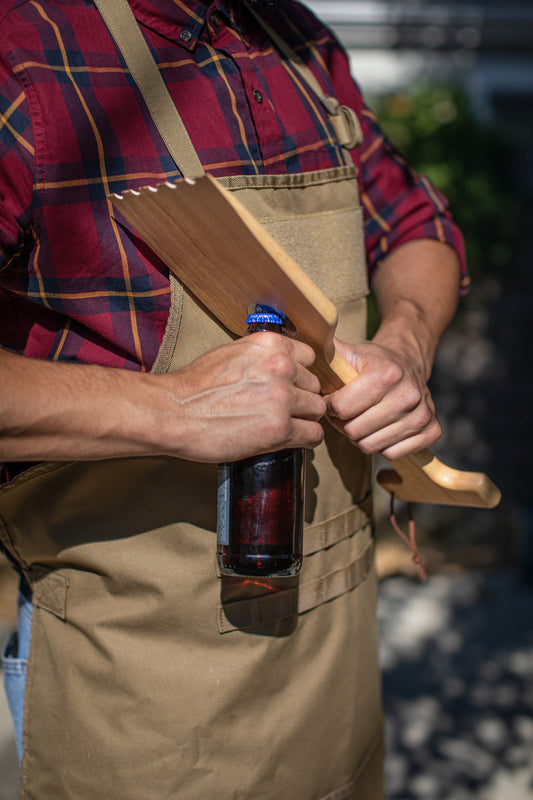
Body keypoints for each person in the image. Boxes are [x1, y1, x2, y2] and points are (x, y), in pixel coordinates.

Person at [0, 0, 467, 796]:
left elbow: (414, 222)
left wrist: (405, 347)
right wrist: (175, 410)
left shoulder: (297, 41)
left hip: (338, 680)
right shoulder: (26, 54)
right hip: (145, 695)